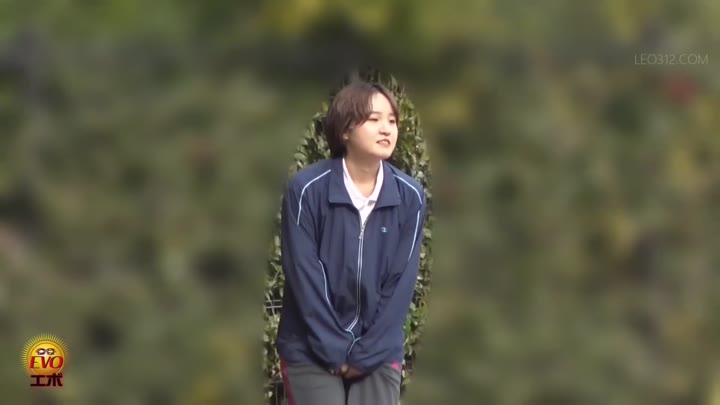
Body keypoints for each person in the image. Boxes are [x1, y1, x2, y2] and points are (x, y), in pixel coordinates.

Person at [276, 80, 426, 405]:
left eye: (392, 121)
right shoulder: (306, 190)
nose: (386, 129)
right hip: (309, 347)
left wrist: (365, 354)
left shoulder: (410, 196)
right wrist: (335, 350)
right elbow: (304, 277)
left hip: (378, 349)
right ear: (345, 130)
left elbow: (400, 285)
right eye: (374, 119)